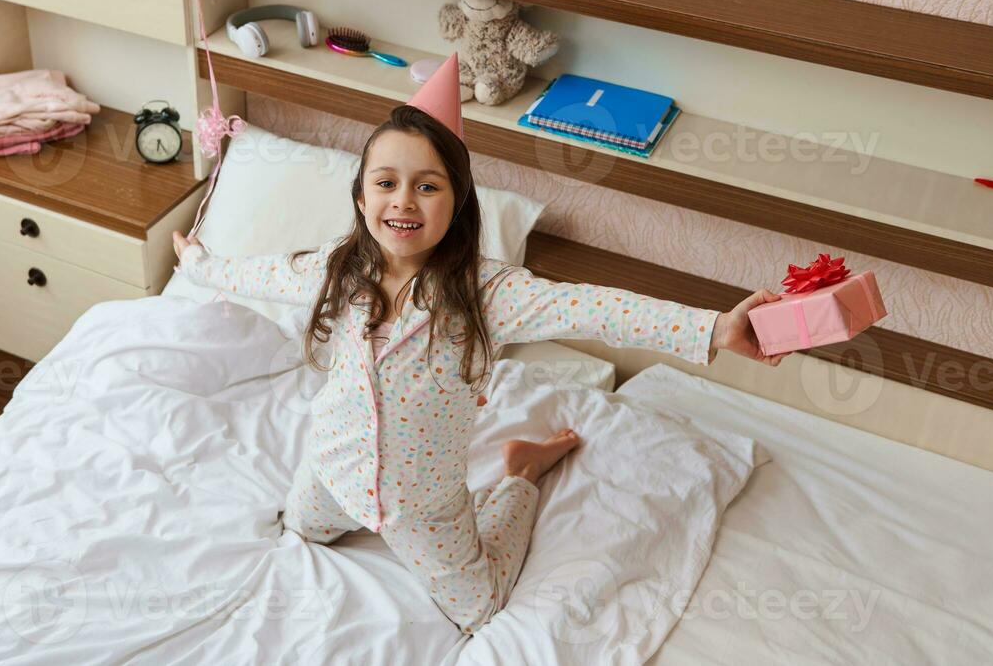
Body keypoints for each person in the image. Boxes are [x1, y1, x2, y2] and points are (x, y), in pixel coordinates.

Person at [172, 53, 783, 634]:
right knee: (299, 533)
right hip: (331, 470)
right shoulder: (336, 271)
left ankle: (521, 470)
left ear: (457, 202)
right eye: (386, 183)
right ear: (362, 198)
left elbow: (599, 311)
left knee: (481, 605)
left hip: (424, 505)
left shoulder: (488, 292)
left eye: (427, 187)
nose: (403, 200)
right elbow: (262, 274)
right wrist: (200, 264)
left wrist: (713, 328)